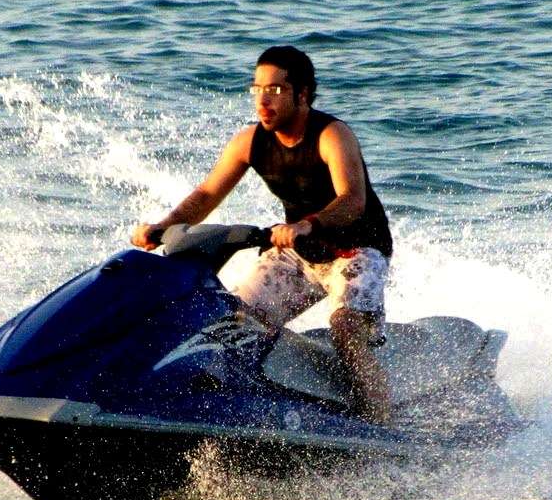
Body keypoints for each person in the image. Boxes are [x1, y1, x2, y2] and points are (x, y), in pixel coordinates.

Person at [132, 46, 393, 423]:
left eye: (274, 90)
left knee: (345, 329)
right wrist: (164, 226)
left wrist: (307, 224)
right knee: (237, 322)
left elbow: (352, 200)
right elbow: (207, 194)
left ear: (302, 94)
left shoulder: (332, 135)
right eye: (256, 89)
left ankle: (379, 422)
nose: (262, 100)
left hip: (356, 251)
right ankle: (238, 408)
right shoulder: (249, 142)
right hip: (300, 251)